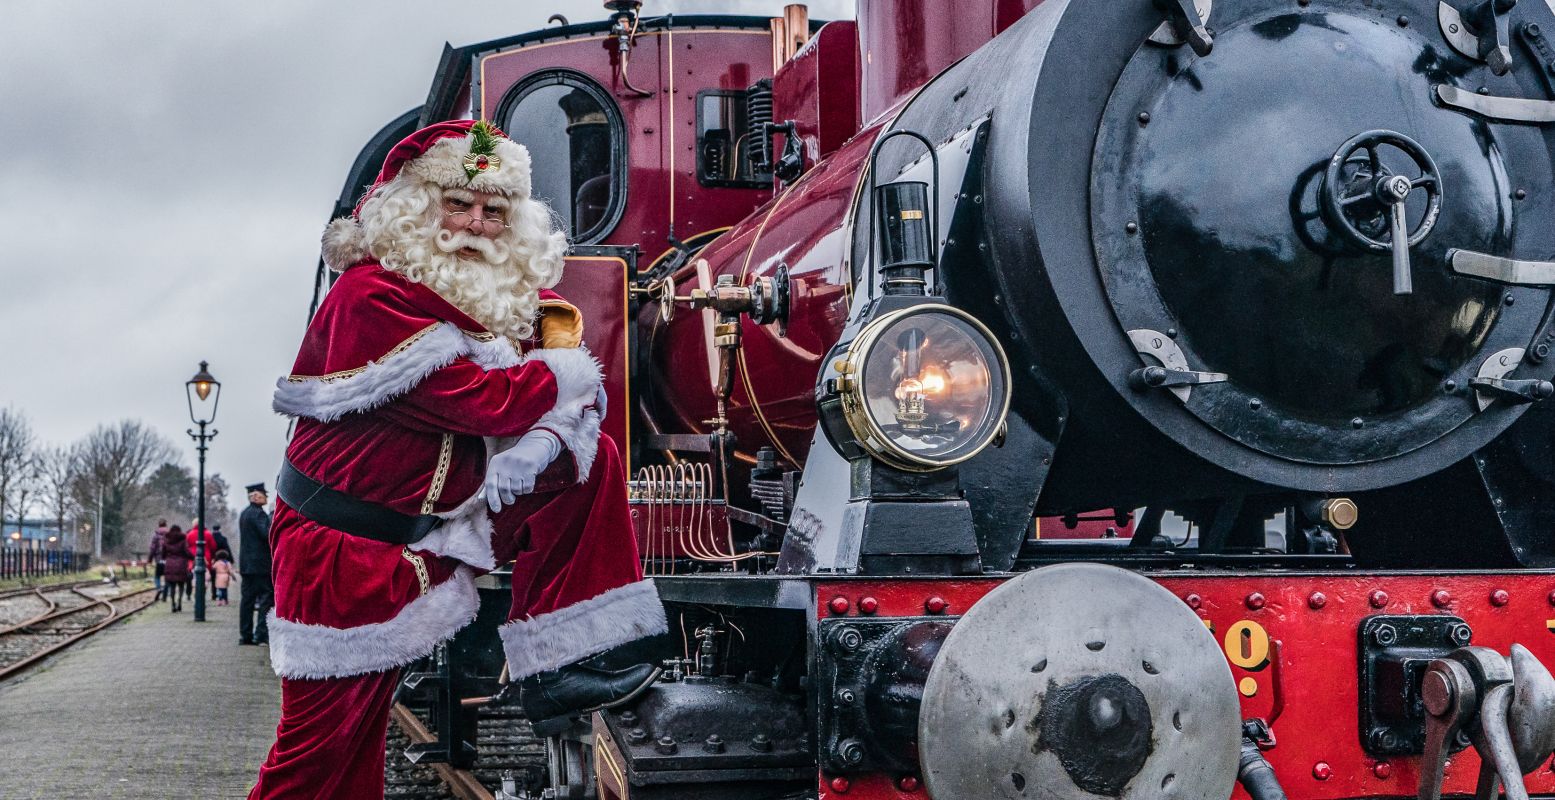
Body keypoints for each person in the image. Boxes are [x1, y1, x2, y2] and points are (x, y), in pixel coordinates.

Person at [250, 120, 665, 800]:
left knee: (587, 461)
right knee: (318, 757)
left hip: (428, 534)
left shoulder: (485, 299)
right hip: (340, 553)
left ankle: (570, 657)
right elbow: (482, 403)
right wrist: (556, 383)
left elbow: (566, 405)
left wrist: (541, 444)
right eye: (458, 203)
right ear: (418, 207)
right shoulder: (369, 295)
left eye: (494, 210)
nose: (476, 222)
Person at [237, 483, 272, 646]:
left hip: (246, 566)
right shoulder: (259, 515)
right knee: (266, 598)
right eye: (264, 494)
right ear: (256, 496)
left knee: (247, 601)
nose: (266, 497)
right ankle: (260, 634)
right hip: (261, 566)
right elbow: (268, 534)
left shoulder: (244, 514)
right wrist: (272, 518)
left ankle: (245, 635)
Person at [162, 525, 192, 613]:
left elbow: (163, 553)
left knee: (172, 586)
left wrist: (166, 558)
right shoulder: (183, 540)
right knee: (181, 585)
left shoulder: (166, 540)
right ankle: (179, 602)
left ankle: (172, 603)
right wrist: (192, 557)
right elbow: (187, 551)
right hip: (181, 564)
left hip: (170, 564)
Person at [150, 520, 169, 602]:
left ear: (159, 525)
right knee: (167, 577)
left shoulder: (155, 535)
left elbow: (152, 548)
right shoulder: (169, 535)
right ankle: (165, 591)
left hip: (158, 559)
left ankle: (159, 588)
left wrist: (150, 558)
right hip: (168, 559)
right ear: (166, 525)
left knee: (157, 576)